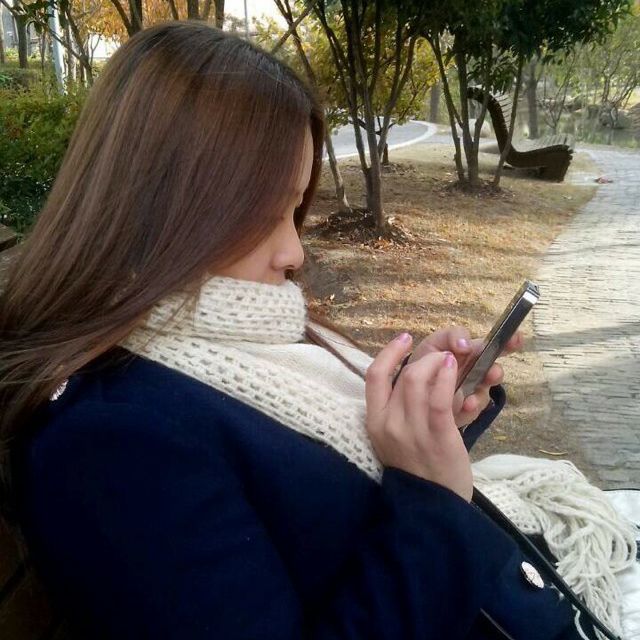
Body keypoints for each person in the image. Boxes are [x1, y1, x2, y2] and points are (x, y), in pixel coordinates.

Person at [0, 22, 635, 640]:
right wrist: (433, 500)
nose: (294, 252)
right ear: (162, 202)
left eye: (294, 208)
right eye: (263, 214)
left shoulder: (224, 334)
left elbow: (324, 489)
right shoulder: (108, 448)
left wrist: (420, 415)